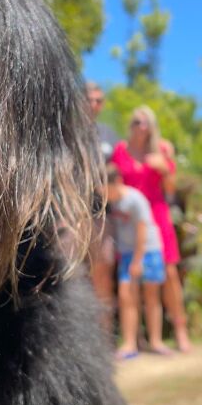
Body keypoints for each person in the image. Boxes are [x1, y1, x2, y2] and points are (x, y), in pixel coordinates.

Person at [110, 106, 192, 352]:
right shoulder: (121, 151)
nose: (141, 127)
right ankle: (136, 339)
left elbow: (170, 190)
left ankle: (180, 330)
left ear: (152, 126)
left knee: (169, 274)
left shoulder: (161, 150)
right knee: (131, 277)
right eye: (137, 122)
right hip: (129, 220)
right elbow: (115, 184)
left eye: (146, 123)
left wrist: (165, 168)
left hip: (157, 216)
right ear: (130, 124)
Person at [106, 164, 171, 359]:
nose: (101, 192)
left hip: (148, 250)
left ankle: (156, 342)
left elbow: (143, 230)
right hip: (127, 253)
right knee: (126, 296)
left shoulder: (135, 199)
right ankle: (129, 344)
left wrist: (138, 260)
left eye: (103, 187)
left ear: (116, 182)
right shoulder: (112, 202)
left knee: (151, 297)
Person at [85, 82, 118, 320]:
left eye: (99, 100)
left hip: (102, 213)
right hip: (70, 215)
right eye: (90, 99)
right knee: (73, 275)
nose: (95, 104)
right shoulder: (66, 131)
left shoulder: (107, 134)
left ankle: (105, 339)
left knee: (103, 270)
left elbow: (120, 168)